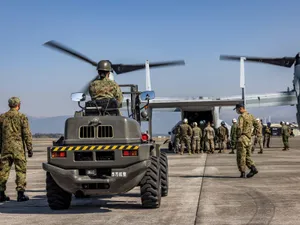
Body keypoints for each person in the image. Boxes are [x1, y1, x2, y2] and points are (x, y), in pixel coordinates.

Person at [0, 97, 33, 202]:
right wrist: (29, 148)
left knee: (3, 171)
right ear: (18, 105)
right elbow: (26, 134)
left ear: (9, 105)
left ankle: (0, 194)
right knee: (20, 171)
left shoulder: (2, 117)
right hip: (18, 149)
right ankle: (20, 194)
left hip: (5, 148)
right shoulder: (22, 117)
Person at [234, 103, 258, 178]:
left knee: (241, 156)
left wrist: (238, 137)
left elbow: (239, 128)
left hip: (242, 138)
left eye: (237, 109)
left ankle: (242, 172)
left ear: (240, 108)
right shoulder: (250, 116)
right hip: (248, 139)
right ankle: (253, 168)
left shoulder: (241, 117)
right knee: (247, 155)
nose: (237, 111)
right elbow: (257, 125)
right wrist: (252, 134)